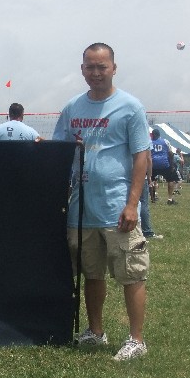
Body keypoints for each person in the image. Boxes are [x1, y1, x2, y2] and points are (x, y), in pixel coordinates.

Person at [53, 43, 151, 361]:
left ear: (114, 68)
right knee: (91, 273)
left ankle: (136, 339)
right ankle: (95, 331)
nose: (96, 73)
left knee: (131, 272)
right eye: (90, 67)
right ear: (82, 69)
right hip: (82, 210)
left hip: (117, 207)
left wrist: (132, 204)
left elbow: (141, 157)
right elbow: (58, 152)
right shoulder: (72, 109)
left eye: (102, 67)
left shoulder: (130, 107)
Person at [150, 128, 178, 205]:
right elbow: (171, 154)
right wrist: (172, 165)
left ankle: (152, 198)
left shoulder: (150, 142)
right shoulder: (165, 141)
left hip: (153, 164)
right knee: (170, 180)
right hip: (164, 164)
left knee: (150, 180)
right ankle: (170, 198)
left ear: (154, 135)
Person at [141, 152, 163, 239]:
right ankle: (147, 231)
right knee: (143, 203)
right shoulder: (143, 140)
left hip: (124, 176)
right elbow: (148, 159)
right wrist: (149, 177)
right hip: (140, 175)